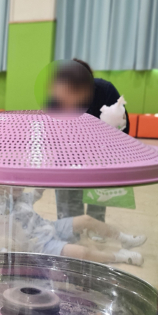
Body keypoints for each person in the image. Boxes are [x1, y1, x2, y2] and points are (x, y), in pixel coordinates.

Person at [49, 59, 129, 224]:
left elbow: (124, 127)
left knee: (97, 198)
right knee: (68, 201)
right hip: (67, 158)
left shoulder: (105, 90)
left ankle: (96, 227)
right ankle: (71, 229)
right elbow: (49, 131)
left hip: (100, 157)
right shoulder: (56, 98)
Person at [0, 187, 147, 266]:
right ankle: (122, 256)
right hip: (40, 245)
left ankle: (124, 239)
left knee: (86, 219)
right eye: (13, 185)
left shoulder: (24, 197)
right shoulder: (0, 207)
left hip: (50, 227)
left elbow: (38, 189)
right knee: (82, 252)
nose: (19, 188)